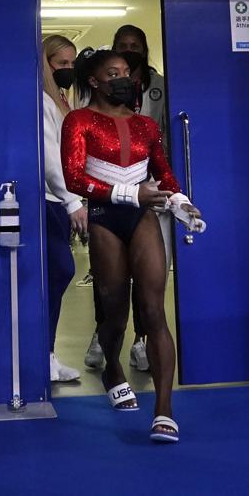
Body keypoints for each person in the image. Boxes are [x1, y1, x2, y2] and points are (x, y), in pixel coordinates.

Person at [62, 49, 205, 443]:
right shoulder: (80, 120)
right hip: (107, 217)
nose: (123, 78)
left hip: (142, 217)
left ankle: (164, 409)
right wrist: (131, 194)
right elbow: (75, 178)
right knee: (115, 314)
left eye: (126, 72)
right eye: (113, 73)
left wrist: (180, 203)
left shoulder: (144, 125)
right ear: (94, 81)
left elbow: (164, 173)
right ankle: (111, 366)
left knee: (153, 309)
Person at [84, 25, 173, 374]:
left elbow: (161, 142)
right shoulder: (90, 108)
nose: (129, 52)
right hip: (107, 198)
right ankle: (105, 334)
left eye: (136, 46)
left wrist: (173, 194)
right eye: (123, 47)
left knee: (149, 279)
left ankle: (140, 340)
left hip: (148, 193)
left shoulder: (160, 87)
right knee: (109, 280)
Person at [41, 35, 87, 383]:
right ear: (46, 64)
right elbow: (50, 159)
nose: (68, 70)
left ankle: (49, 354)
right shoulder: (43, 102)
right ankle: (44, 354)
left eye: (72, 63)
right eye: (61, 64)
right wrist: (72, 202)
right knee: (58, 271)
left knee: (57, 277)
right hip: (51, 201)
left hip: (64, 200)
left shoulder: (62, 102)